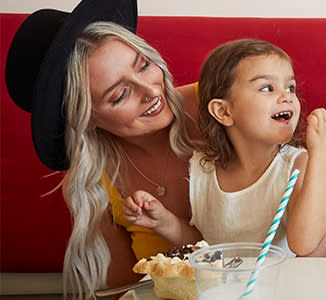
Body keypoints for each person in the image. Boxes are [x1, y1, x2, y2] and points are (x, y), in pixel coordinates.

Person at [4, 0, 202, 296]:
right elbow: (128, 290)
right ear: (87, 120)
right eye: (121, 94)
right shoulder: (94, 181)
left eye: (143, 65)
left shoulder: (214, 105)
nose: (151, 91)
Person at [122, 39, 326, 257]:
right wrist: (164, 222)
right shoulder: (202, 169)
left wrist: (321, 155)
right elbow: (204, 247)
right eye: (266, 88)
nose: (287, 97)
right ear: (224, 112)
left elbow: (304, 243)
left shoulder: (296, 165)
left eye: (290, 88)